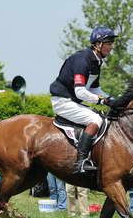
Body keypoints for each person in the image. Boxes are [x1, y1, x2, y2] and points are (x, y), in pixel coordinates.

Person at [49, 26, 118, 174]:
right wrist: (102, 101)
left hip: (72, 101)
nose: (111, 47)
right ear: (98, 44)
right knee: (95, 120)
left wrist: (112, 99)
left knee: (103, 118)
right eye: (109, 43)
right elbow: (80, 91)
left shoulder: (96, 62)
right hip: (63, 101)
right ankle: (80, 162)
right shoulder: (82, 60)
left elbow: (94, 89)